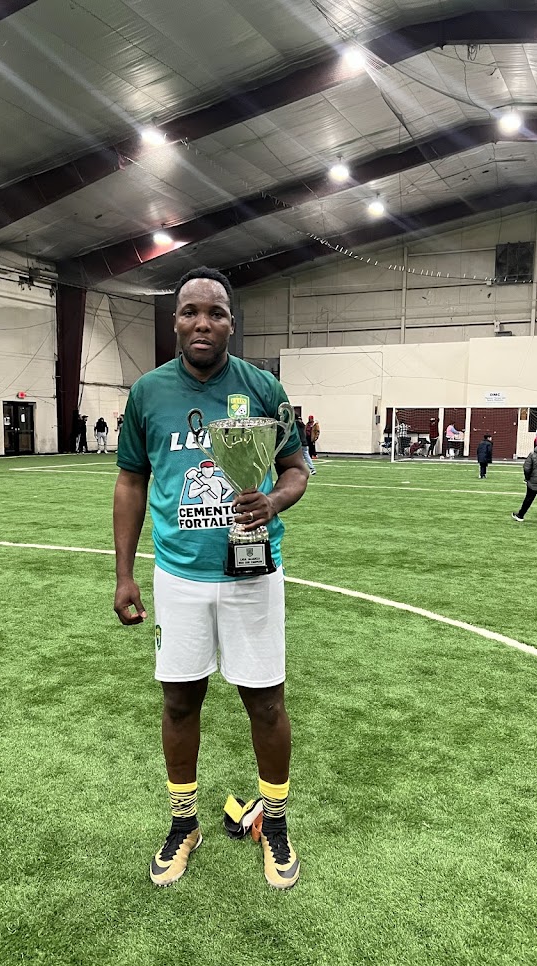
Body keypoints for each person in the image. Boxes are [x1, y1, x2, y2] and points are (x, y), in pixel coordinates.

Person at [113, 266, 309, 891]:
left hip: (253, 572)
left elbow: (297, 469)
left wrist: (272, 501)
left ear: (231, 323)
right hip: (179, 575)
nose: (202, 323)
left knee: (266, 701)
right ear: (175, 321)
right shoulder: (148, 393)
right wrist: (124, 573)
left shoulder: (263, 388)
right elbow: (131, 481)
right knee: (179, 700)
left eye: (215, 313)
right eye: (190, 311)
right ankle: (183, 823)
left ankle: (274, 821)